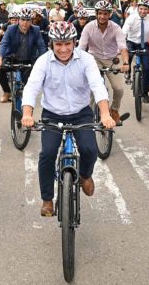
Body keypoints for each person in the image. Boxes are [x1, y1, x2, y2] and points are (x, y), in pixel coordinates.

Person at [21, 21, 116, 217]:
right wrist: (27, 114)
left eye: (67, 44)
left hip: (81, 113)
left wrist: (105, 114)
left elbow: (98, 86)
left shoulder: (86, 60)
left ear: (74, 42)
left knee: (90, 149)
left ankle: (85, 175)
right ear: (51, 44)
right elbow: (31, 88)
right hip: (52, 114)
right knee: (47, 154)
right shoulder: (43, 61)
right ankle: (47, 199)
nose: (63, 49)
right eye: (58, 44)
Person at [79, 0, 129, 124]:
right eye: (100, 13)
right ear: (96, 13)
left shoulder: (116, 28)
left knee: (119, 88)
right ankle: (89, 116)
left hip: (112, 59)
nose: (102, 16)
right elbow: (81, 47)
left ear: (110, 14)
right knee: (93, 88)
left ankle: (114, 110)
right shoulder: (89, 27)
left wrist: (126, 63)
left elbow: (123, 47)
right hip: (94, 59)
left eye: (105, 14)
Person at [0, 8, 47, 102]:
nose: (25, 23)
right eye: (23, 19)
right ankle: (6, 92)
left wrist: (44, 62)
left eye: (28, 20)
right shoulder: (10, 29)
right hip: (11, 58)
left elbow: (41, 47)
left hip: (28, 60)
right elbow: (4, 44)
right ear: (19, 20)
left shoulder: (36, 30)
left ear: (31, 21)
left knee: (27, 86)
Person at [121, 0, 149, 103]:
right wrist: (120, 45)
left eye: (145, 9)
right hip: (131, 42)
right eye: (141, 8)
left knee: (147, 68)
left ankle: (145, 93)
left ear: (148, 9)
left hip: (144, 45)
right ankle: (128, 73)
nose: (143, 11)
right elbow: (124, 31)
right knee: (127, 57)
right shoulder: (131, 18)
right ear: (138, 8)